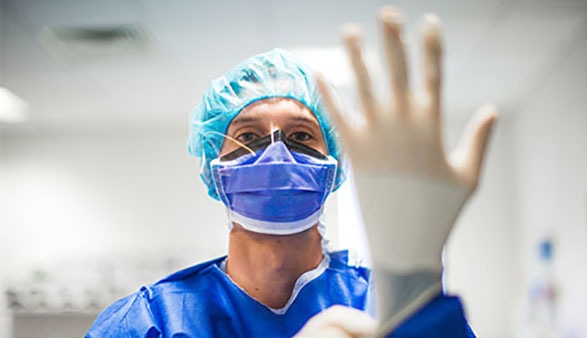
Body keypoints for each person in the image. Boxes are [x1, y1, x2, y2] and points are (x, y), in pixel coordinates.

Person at [86, 7, 497, 338]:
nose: (276, 153)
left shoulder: (388, 305)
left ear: (333, 167)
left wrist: (415, 284)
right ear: (215, 168)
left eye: (301, 136)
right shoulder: (148, 324)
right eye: (249, 136)